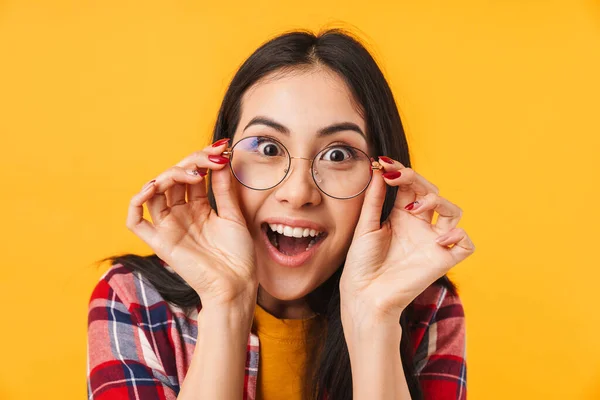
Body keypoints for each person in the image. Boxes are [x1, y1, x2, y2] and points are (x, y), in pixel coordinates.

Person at [87, 29, 475, 400]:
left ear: (385, 177)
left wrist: (374, 321)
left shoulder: (423, 306)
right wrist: (226, 306)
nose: (298, 193)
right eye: (267, 148)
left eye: (338, 155)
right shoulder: (133, 299)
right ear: (218, 159)